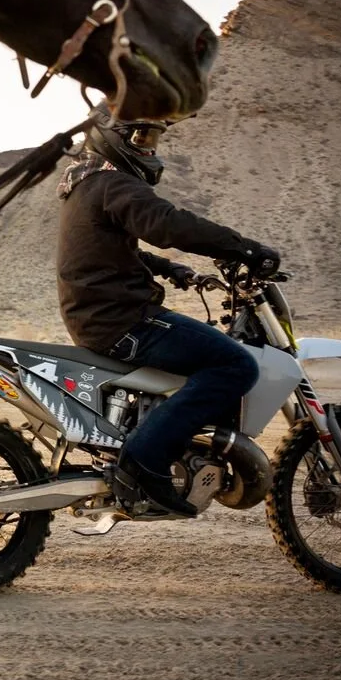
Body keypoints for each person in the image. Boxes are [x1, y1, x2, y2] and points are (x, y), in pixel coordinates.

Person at [56, 116, 279, 518]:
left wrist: (168, 268)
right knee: (235, 364)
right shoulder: (112, 183)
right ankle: (144, 458)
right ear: (112, 137)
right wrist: (244, 249)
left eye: (154, 137)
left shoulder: (87, 184)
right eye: (141, 136)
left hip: (101, 316)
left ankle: (174, 445)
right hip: (123, 321)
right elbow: (167, 223)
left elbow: (109, 250)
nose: (150, 148)